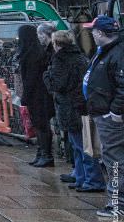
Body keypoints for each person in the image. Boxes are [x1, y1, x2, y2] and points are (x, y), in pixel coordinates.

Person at [43, 30, 105, 192]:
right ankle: (81, 176)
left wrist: (46, 75)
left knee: (82, 146)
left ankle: (92, 179)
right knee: (80, 144)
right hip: (80, 105)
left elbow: (57, 84)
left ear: (56, 44)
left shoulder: (61, 60)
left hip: (70, 107)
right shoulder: (80, 56)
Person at [82, 16, 124, 218]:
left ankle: (118, 203)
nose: (91, 34)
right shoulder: (109, 51)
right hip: (106, 114)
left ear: (100, 33)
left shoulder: (115, 53)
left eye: (93, 31)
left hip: (111, 117)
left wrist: (115, 112)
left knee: (114, 159)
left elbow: (122, 86)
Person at [18, 25, 54, 167]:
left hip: (39, 95)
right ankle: (41, 152)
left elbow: (31, 78)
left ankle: (46, 154)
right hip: (38, 94)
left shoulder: (33, 54)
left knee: (41, 125)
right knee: (38, 125)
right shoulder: (34, 51)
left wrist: (25, 96)